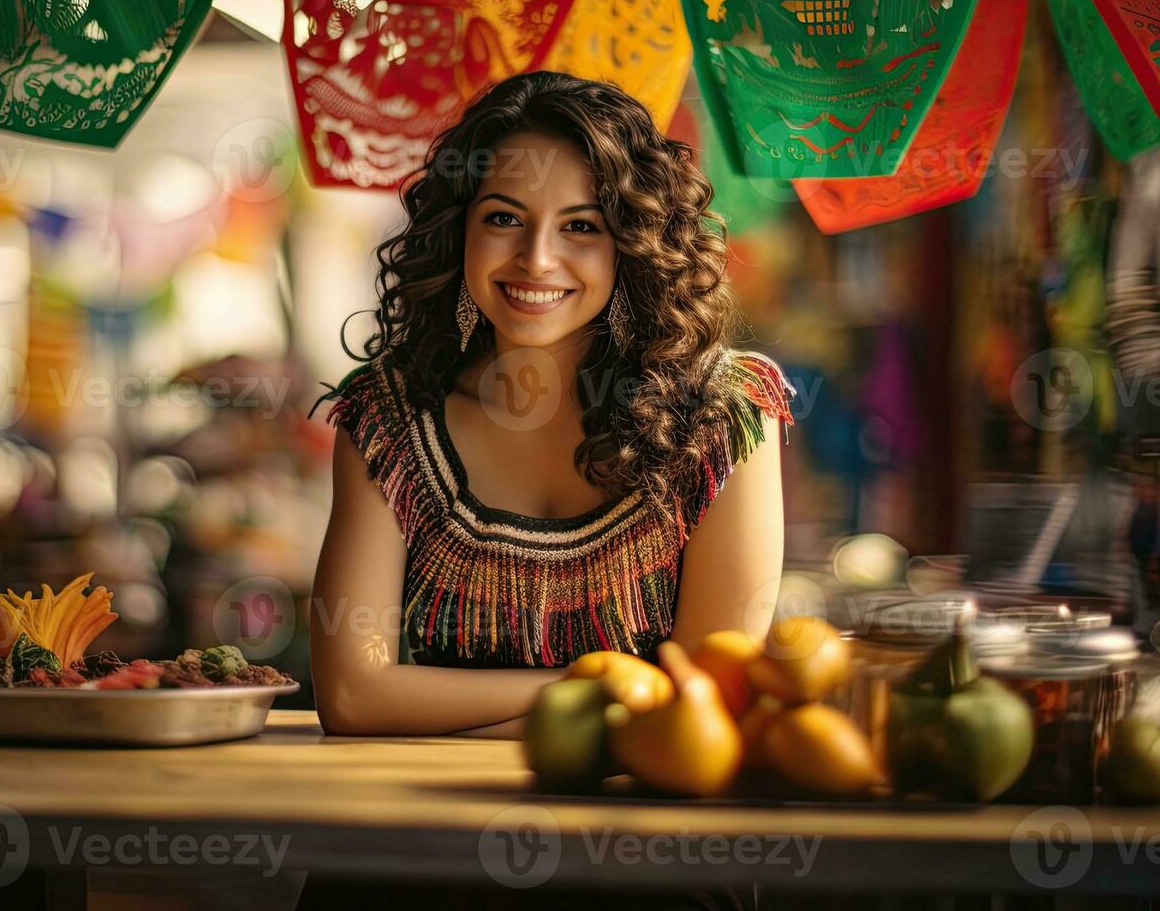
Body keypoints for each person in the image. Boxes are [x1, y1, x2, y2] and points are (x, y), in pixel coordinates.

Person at [308, 70, 795, 744]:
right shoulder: (389, 420)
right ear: (459, 232)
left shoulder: (721, 415)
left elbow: (711, 692)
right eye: (504, 219)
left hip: (653, 828)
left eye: (580, 227)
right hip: (424, 825)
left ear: (630, 245)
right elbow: (352, 695)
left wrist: (455, 716)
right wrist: (617, 685)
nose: (536, 259)